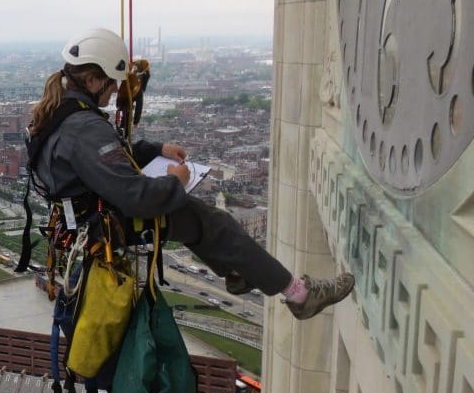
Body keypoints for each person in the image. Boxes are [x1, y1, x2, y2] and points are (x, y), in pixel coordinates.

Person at [26, 27, 353, 320]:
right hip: (106, 224)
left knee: (202, 223)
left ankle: (239, 270)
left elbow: (100, 162)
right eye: (111, 84)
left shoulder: (62, 111)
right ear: (92, 80)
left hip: (86, 217)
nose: (114, 93)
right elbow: (141, 199)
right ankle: (300, 295)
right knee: (214, 222)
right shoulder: (84, 129)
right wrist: (177, 182)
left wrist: (155, 149)